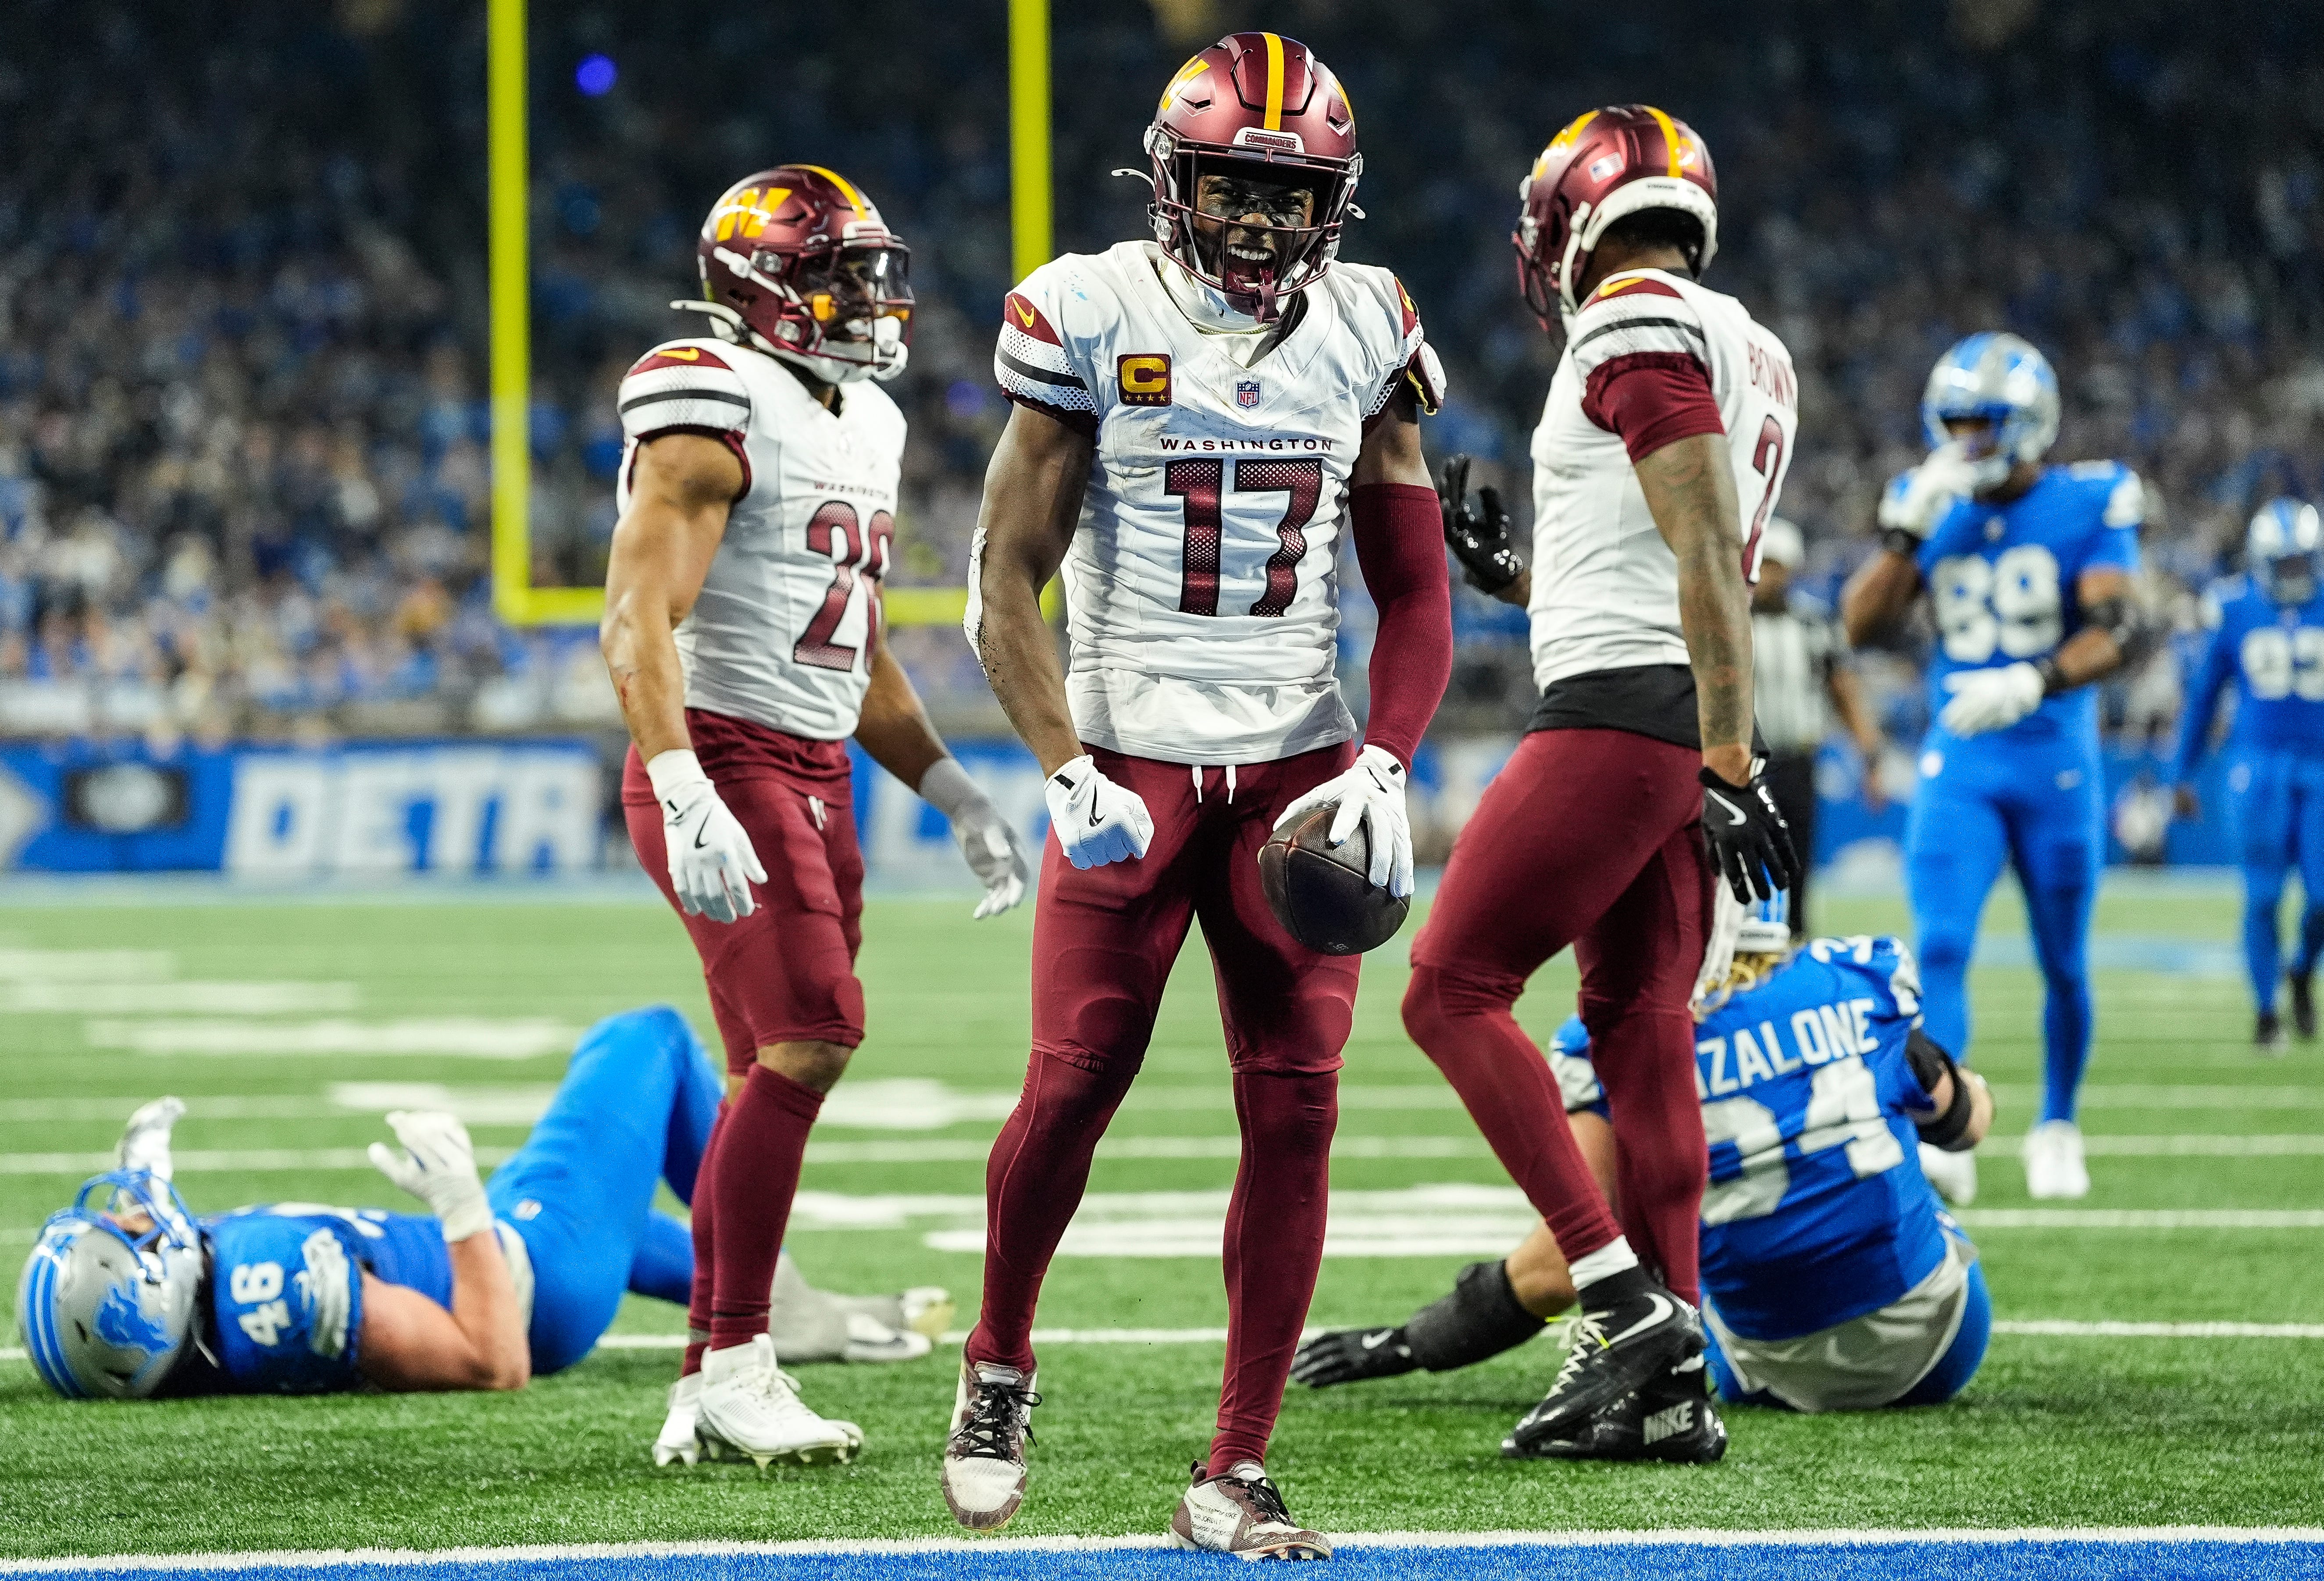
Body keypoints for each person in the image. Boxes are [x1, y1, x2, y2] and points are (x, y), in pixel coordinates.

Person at [950, 30, 1452, 1557]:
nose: (1256, 218)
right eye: (1231, 184)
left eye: (1287, 193)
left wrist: (1385, 758)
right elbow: (1003, 582)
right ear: (1174, 183)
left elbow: (1418, 595)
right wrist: (1062, 767)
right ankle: (997, 1362)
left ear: (1334, 207)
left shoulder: (1369, 325)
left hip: (1298, 763)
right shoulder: (1092, 308)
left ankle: (1234, 1463)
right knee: (1075, 1076)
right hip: (1133, 755)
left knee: (1297, 1104)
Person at [599, 166, 1032, 1468]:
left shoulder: (869, 422)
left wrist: (948, 786)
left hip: (811, 766)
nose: (867, 296)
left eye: (869, 269)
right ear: (761, 286)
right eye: (838, 271)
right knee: (811, 1038)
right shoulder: (708, 397)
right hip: (720, 754)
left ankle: (706, 1378)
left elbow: (848, 650)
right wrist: (681, 785)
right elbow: (636, 620)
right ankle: (737, 1356)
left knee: (767, 1068)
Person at [1415, 104, 1800, 1460]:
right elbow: (1659, 554)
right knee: (1637, 1027)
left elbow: (1700, 555)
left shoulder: (1629, 321)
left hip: (1630, 723)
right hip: (1658, 717)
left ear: (1570, 210)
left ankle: (1622, 1302)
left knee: (1445, 991)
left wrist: (1728, 753)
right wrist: (1512, 579)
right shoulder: (1742, 339)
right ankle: (1673, 1376)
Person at [15, 1008, 951, 1430]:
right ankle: (766, 1302)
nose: (138, 1219)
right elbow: (491, 1358)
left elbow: (160, 1268)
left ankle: (781, 1303)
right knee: (649, 1039)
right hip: (535, 1274)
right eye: (129, 1242)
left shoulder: (186, 1322)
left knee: (610, 1200)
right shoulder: (287, 1293)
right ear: (149, 1299)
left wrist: (142, 1169)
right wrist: (461, 1207)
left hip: (533, 1242)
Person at [1295, 900, 1994, 1438]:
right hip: (1943, 1342)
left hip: (1780, 1369)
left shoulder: (1608, 1043)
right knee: (1904, 1189)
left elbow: (1558, 1269)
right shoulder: (1858, 977)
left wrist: (1412, 1342)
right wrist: (1933, 1074)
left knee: (1657, 1263)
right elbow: (1966, 1125)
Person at [1842, 333, 2149, 1203]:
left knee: (2063, 962)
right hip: (1960, 762)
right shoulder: (1924, 499)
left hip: (2055, 758)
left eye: (1986, 423)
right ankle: (1949, 1124)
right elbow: (1855, 628)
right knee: (1939, 940)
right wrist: (1905, 533)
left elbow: (2124, 628)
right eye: (1956, 423)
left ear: (2031, 422)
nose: (1968, 440)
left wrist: (2037, 679)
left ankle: (2057, 1121)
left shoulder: (2091, 497)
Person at [2171, 498, 2324, 1050]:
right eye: (2281, 563)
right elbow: (2203, 698)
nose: (2292, 574)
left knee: (2321, 898)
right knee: (2261, 896)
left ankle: (2303, 968)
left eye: (2299, 562)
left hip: (2320, 765)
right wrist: (2181, 773)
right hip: (2257, 767)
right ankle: (2265, 1012)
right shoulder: (2235, 607)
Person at [1750, 517, 1889, 937]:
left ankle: (1792, 956)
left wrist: (1870, 755)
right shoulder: (1731, 622)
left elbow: (1842, 690)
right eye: (1763, 564)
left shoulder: (1813, 624)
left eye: (1776, 565)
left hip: (1795, 760)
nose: (1768, 575)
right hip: (1741, 763)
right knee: (1732, 869)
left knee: (1797, 868)